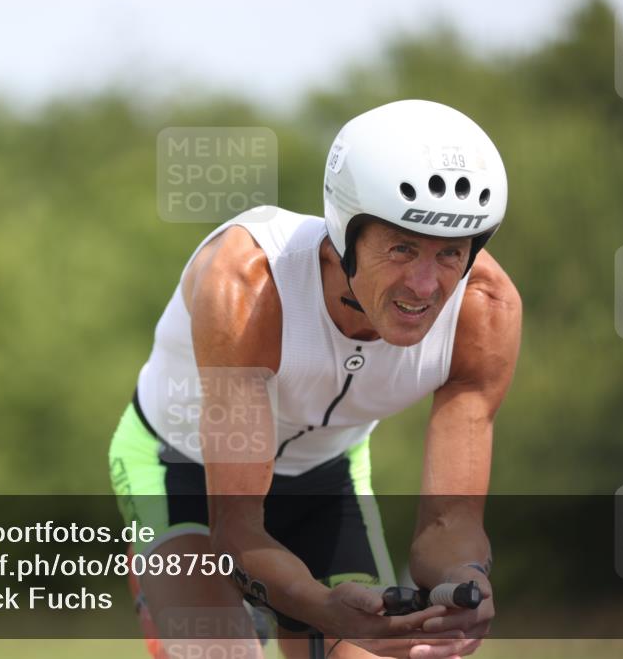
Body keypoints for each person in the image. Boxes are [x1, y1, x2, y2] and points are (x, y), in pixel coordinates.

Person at [109, 100, 522, 659]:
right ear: (346, 234)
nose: (426, 286)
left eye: (451, 253)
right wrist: (318, 608)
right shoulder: (250, 286)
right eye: (403, 248)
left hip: (326, 479)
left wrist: (463, 585)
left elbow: (450, 524)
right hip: (180, 466)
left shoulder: (484, 312)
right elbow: (237, 532)